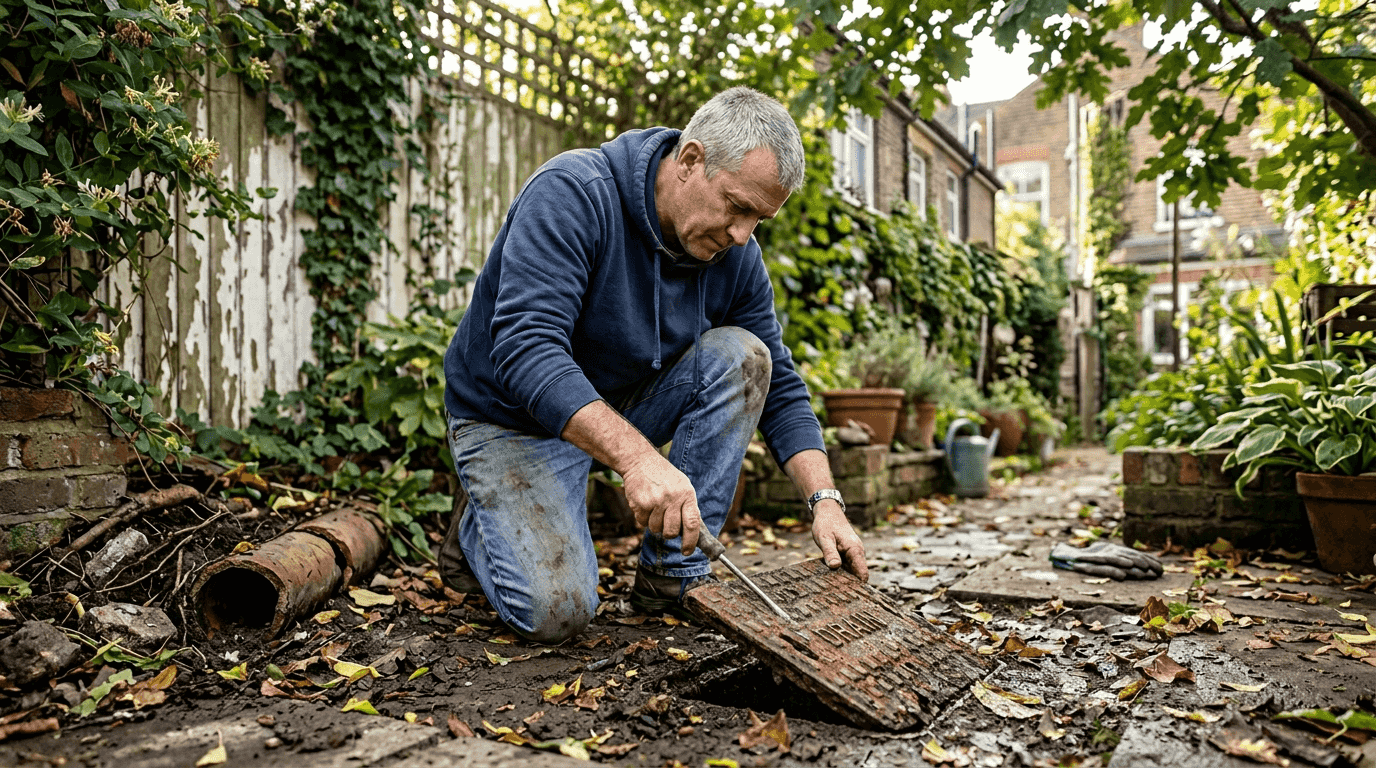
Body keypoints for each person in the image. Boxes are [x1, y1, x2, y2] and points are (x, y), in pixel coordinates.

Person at [439, 86, 868, 645]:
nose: (742, 234)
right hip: (511, 419)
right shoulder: (574, 192)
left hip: (618, 403)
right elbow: (527, 349)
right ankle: (477, 526)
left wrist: (826, 502)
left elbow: (780, 386)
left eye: (759, 220)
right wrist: (639, 459)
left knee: (746, 356)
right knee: (558, 614)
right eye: (738, 207)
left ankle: (673, 576)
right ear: (690, 160)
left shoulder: (733, 254)